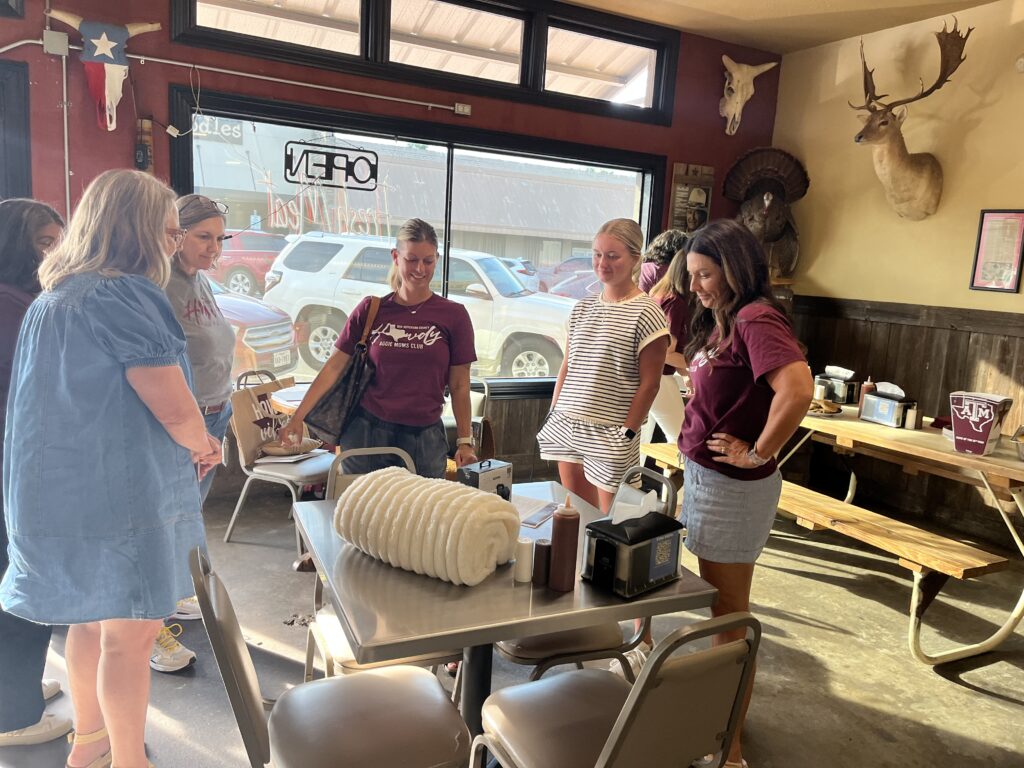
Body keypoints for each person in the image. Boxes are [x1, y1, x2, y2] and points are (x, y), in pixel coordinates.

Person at [0, 169, 221, 768]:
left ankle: (91, 743)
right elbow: (172, 404)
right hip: (119, 491)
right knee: (133, 633)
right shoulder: (122, 293)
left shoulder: (55, 295)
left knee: (90, 623)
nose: (176, 245)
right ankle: (129, 760)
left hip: (61, 488)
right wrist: (205, 443)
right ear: (139, 229)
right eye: (171, 233)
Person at [680, 219, 812, 768]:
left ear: (735, 270)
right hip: (710, 480)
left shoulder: (756, 316)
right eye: (691, 275)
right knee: (720, 613)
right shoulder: (727, 321)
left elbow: (798, 388)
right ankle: (721, 724)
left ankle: (728, 748)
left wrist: (759, 450)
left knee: (729, 616)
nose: (696, 287)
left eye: (705, 275)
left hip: (733, 489)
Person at [280, 218, 478, 477]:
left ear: (437, 260)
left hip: (425, 438)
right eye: (411, 259)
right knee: (363, 514)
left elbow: (460, 385)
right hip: (366, 432)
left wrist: (465, 441)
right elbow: (334, 367)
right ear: (396, 257)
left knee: (421, 515)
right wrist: (297, 417)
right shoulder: (371, 309)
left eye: (428, 261)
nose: (420, 268)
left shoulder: (454, 316)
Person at [150, 194, 236, 674]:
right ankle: (151, 629)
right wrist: (189, 426)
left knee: (187, 516)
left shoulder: (200, 282)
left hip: (215, 413)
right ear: (176, 234)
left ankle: (173, 594)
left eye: (220, 238)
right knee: (164, 520)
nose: (213, 247)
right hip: (186, 421)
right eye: (204, 236)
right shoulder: (158, 284)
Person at [537, 218, 669, 514]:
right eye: (597, 254)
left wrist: (629, 432)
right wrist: (553, 412)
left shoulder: (648, 312)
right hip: (568, 422)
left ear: (635, 258)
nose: (602, 263)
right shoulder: (582, 307)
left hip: (612, 431)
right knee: (575, 512)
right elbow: (567, 367)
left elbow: (651, 383)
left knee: (613, 520)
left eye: (613, 256)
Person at [0, 199, 71, 748]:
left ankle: (14, 690)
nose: (57, 252)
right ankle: (15, 716)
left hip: (18, 465)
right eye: (45, 243)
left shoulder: (23, 300)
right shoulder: (15, 307)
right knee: (24, 585)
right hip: (16, 470)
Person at [640, 229, 690, 445]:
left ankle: (631, 480)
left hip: (640, 374)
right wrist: (691, 370)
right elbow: (666, 350)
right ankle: (676, 480)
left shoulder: (656, 291)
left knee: (638, 440)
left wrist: (687, 373)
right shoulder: (676, 301)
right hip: (659, 377)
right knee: (680, 438)